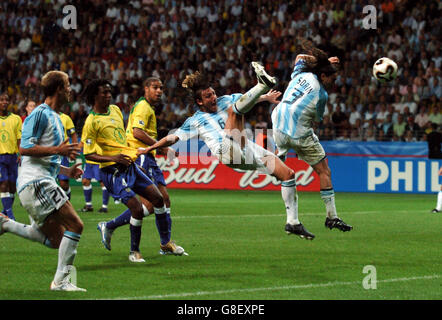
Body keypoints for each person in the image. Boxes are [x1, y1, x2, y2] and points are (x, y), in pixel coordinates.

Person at [140, 62, 317, 240]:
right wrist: (151, 147)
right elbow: (172, 138)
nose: (214, 97)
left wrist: (265, 98)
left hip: (246, 147)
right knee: (235, 112)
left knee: (288, 174)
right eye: (208, 96)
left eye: (214, 93)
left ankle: (293, 222)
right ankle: (262, 83)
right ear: (199, 102)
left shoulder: (226, 100)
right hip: (226, 151)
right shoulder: (195, 121)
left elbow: (245, 100)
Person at [0, 71, 86, 291]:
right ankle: (61, 282)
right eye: (67, 84)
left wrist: (67, 171)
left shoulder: (57, 118)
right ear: (58, 88)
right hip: (36, 183)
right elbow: (25, 148)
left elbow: (49, 159)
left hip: (41, 182)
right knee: (75, 224)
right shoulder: (39, 114)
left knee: (57, 240)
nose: (70, 89)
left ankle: (7, 224)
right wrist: (58, 149)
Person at [81, 79, 169, 262]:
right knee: (137, 208)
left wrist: (129, 151)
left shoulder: (114, 110)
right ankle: (134, 252)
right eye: (104, 92)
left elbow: (120, 138)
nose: (108, 95)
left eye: (109, 92)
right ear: (94, 96)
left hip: (129, 164)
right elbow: (88, 154)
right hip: (112, 170)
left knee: (158, 199)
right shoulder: (91, 122)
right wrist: (114, 158)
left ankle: (166, 243)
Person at [271, 38, 353, 233]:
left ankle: (277, 161)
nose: (334, 82)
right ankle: (332, 217)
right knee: (324, 171)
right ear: (323, 75)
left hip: (278, 123)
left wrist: (323, 63)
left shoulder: (301, 73)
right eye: (332, 79)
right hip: (299, 134)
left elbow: (300, 57)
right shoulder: (321, 95)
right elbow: (318, 119)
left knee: (284, 170)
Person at [97, 77, 186, 255]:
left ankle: (165, 244)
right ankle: (110, 226)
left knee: (163, 199)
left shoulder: (147, 108)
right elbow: (137, 132)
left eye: (161, 88)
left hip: (148, 156)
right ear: (146, 89)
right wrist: (163, 146)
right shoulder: (143, 107)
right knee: (151, 202)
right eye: (155, 87)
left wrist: (160, 149)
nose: (159, 91)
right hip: (140, 156)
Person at [0, 93, 22, 220]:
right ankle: (10, 214)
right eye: (2, 100)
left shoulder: (16, 118)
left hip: (13, 156)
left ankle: (5, 210)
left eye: (6, 100)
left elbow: (19, 139)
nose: (4, 102)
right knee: (3, 183)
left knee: (13, 186)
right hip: (0, 157)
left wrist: (19, 153)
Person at [57, 111, 78, 200]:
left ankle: (67, 203)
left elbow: (73, 135)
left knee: (64, 184)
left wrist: (73, 151)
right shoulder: (45, 116)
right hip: (48, 154)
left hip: (62, 155)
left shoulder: (66, 118)